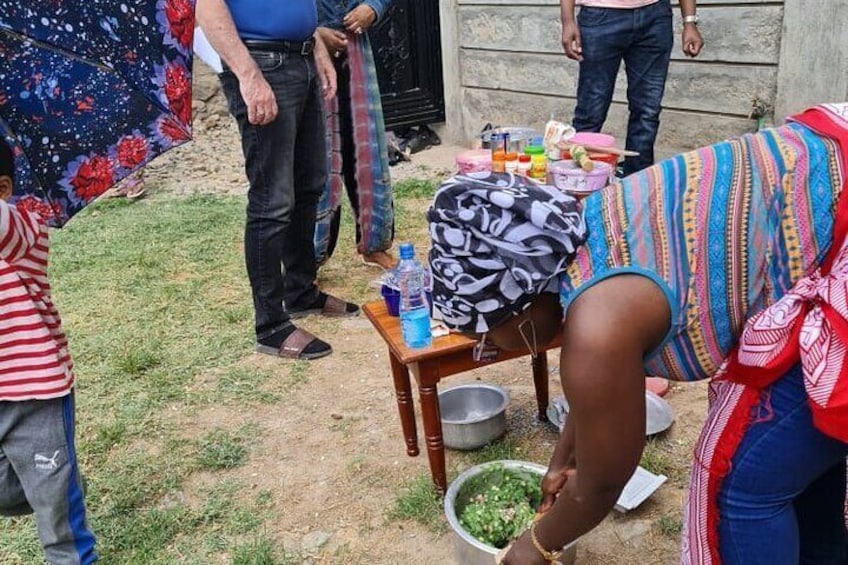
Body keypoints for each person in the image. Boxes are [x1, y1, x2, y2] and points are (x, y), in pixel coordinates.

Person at [428, 103, 848, 564]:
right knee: (798, 466)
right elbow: (600, 401)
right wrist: (565, 456)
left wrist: (536, 546)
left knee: (741, 485)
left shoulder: (598, 324)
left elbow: (605, 480)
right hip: (830, 182)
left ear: (518, 309)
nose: (487, 350)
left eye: (484, 334)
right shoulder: (584, 234)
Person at [197, 0, 360, 361]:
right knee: (272, 200)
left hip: (298, 58)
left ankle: (300, 291)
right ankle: (270, 326)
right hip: (261, 63)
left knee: (309, 184)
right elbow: (207, 7)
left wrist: (313, 43)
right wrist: (248, 75)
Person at [0, 138, 97, 563]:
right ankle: (61, 481)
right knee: (18, 491)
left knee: (57, 518)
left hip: (33, 394)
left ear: (3, 190)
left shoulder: (20, 229)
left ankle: (60, 491)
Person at [560, 0, 704, 176]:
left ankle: (637, 186)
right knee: (591, 111)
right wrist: (567, 20)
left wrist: (689, 21)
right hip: (600, 15)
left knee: (647, 111)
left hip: (655, 16)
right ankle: (578, 185)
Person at [314, 0, 396, 270]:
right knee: (315, 154)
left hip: (355, 47)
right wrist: (314, 33)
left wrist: (373, 7)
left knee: (365, 147)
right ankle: (308, 257)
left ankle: (374, 244)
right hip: (305, 52)